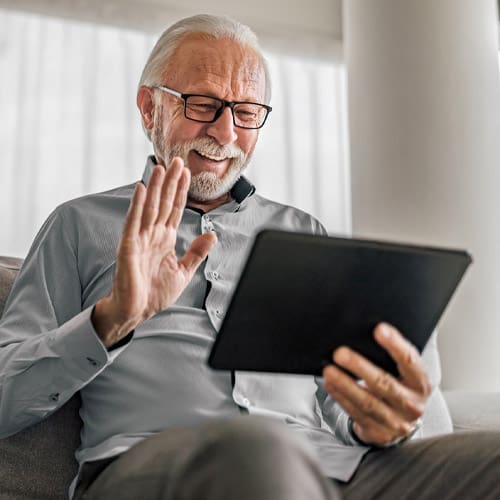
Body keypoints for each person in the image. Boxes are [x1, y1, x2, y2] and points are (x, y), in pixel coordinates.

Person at [0, 13, 499, 500]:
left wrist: (376, 424)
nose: (226, 133)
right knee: (259, 450)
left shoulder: (302, 232)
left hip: (326, 467)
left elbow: (337, 401)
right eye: (202, 104)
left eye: (246, 113)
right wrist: (112, 319)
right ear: (149, 107)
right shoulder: (78, 225)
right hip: (152, 464)